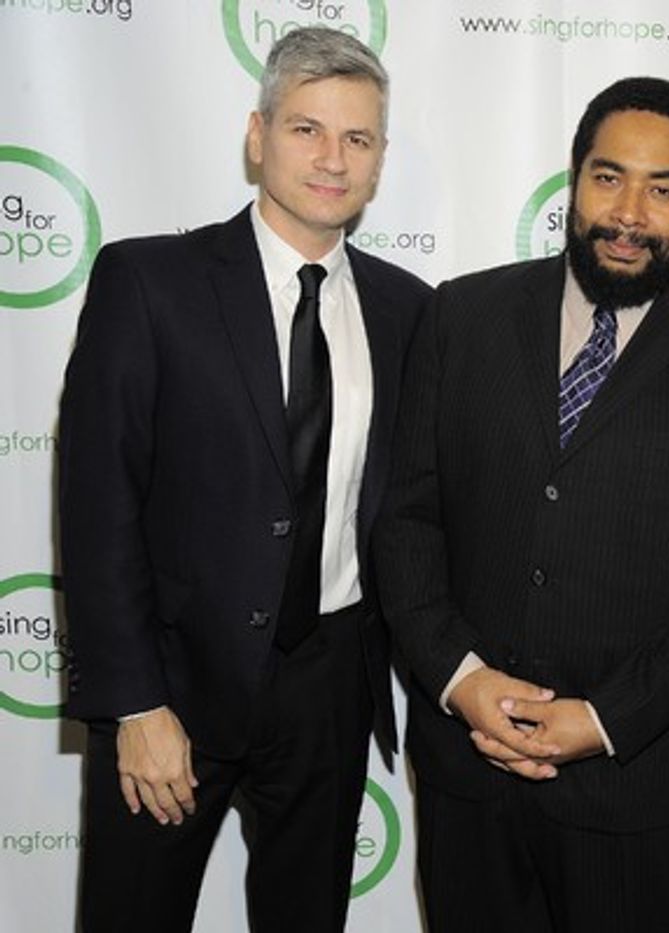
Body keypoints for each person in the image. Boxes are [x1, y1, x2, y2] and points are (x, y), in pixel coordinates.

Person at [372, 76, 669, 932]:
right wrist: (463, 680)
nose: (629, 211)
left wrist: (601, 720)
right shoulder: (462, 316)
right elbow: (407, 521)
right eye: (608, 177)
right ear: (573, 176)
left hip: (632, 793)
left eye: (661, 188)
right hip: (467, 774)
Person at [59, 27, 429, 932]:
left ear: (380, 161)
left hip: (331, 692)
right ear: (257, 136)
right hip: (173, 685)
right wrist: (135, 701)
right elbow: (97, 500)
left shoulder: (408, 309)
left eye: (358, 139)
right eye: (307, 130)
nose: (332, 159)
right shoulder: (149, 281)